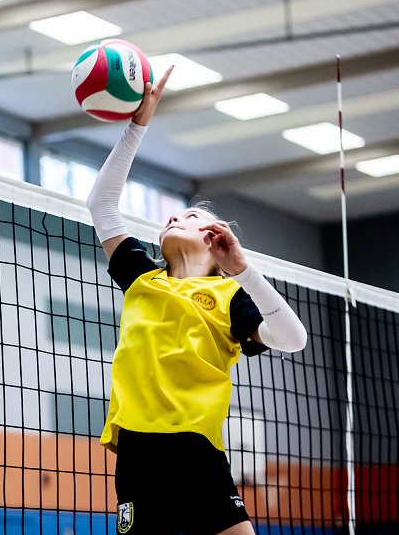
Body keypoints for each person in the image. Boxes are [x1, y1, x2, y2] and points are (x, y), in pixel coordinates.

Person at [86, 66, 307, 535]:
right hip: (138, 455)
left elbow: (293, 338)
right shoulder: (143, 279)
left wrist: (243, 270)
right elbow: (101, 204)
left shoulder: (232, 295)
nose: (172, 217)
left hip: (194, 449)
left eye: (187, 216)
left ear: (213, 239)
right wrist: (137, 125)